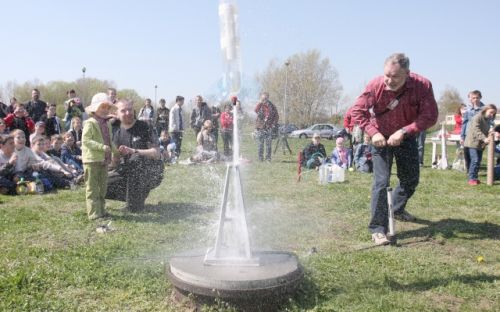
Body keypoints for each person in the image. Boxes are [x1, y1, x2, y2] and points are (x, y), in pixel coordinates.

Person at [350, 53, 438, 246]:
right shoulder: (376, 85)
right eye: (386, 76)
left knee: (410, 180)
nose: (389, 81)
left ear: (407, 73)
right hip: (380, 138)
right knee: (381, 182)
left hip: (406, 137)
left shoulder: (422, 86)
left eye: (395, 77)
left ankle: (396, 209)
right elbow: (356, 111)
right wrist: (373, 132)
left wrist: (405, 131)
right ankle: (377, 229)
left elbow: (430, 115)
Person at [106, 99, 162, 212]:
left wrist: (134, 151)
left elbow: (156, 154)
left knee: (136, 159)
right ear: (116, 114)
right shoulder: (117, 134)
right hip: (129, 171)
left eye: (130, 109)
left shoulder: (145, 126)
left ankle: (133, 206)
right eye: (123, 111)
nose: (128, 113)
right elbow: (115, 163)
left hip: (152, 171)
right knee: (100, 185)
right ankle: (136, 197)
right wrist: (110, 160)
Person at [82, 93, 117, 220]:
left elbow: (109, 141)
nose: (105, 110)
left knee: (102, 188)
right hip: (91, 160)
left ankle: (102, 211)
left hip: (104, 160)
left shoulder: (107, 124)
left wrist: (116, 151)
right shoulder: (90, 123)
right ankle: (93, 214)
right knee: (92, 189)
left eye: (107, 108)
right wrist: (101, 147)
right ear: (94, 109)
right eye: (102, 107)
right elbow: (86, 141)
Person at [463, 104, 497, 185]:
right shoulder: (477, 117)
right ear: (485, 110)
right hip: (472, 143)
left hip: (480, 144)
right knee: (475, 160)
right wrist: (484, 138)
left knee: (478, 162)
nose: (492, 115)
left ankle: (475, 177)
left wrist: (491, 132)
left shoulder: (488, 120)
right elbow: (476, 130)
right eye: (491, 112)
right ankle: (471, 179)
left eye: (493, 113)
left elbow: (488, 129)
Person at [254, 92, 279, 162]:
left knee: (268, 144)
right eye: (263, 98)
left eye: (265, 98)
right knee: (260, 144)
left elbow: (276, 116)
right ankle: (260, 158)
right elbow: (255, 110)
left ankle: (268, 158)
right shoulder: (260, 105)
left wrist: (273, 125)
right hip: (260, 127)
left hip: (269, 127)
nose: (264, 100)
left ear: (268, 98)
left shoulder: (272, 106)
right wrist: (260, 102)